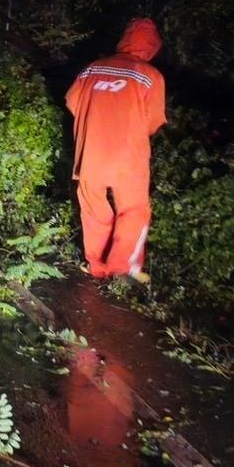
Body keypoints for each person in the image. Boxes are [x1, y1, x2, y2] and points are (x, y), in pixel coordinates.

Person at [65, 17, 166, 282]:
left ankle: (96, 265)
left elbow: (72, 102)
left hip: (90, 154)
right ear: (152, 46)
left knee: (93, 208)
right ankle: (122, 268)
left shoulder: (92, 68)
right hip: (128, 156)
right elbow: (153, 120)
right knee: (133, 209)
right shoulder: (150, 76)